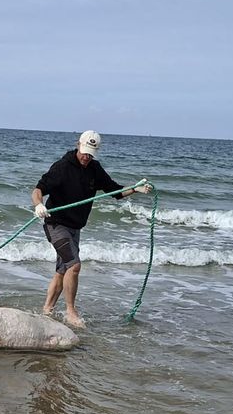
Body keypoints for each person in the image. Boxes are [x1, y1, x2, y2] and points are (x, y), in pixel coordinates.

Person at [30, 130, 152, 328]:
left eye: (91, 153)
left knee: (63, 270)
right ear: (78, 144)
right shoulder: (62, 167)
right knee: (74, 266)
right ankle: (71, 311)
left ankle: (47, 309)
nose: (86, 157)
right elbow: (38, 190)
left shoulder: (94, 169)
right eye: (84, 151)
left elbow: (115, 191)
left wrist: (135, 189)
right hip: (56, 224)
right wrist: (38, 205)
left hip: (75, 228)